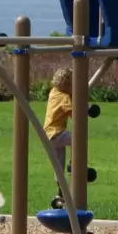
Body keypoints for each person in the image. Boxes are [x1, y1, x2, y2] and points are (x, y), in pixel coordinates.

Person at [43, 67, 73, 205]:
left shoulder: (54, 92)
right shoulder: (65, 97)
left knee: (58, 166)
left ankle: (60, 194)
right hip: (57, 132)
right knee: (78, 139)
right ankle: (74, 164)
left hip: (48, 134)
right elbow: (74, 114)